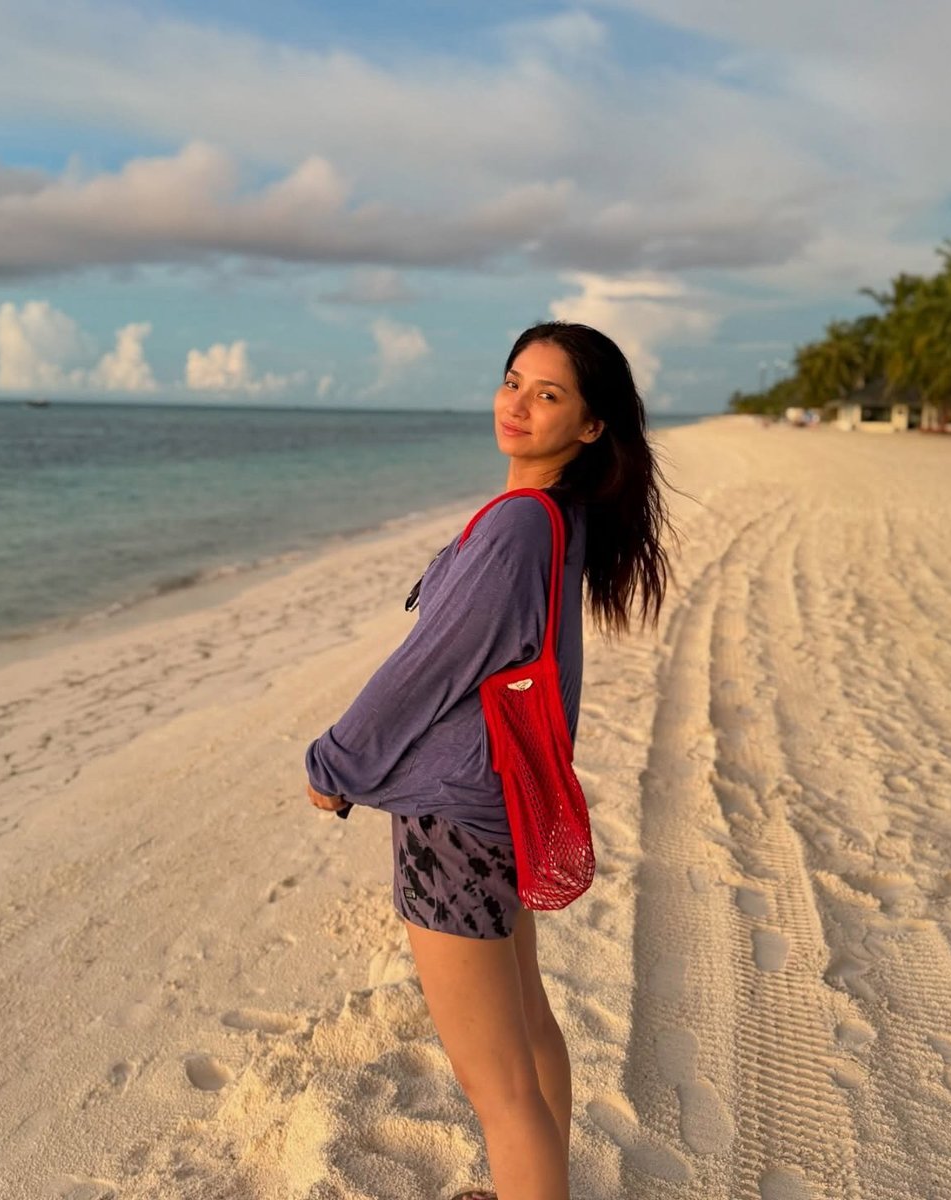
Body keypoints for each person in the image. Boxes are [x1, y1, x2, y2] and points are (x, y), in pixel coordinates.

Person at [305, 321, 673, 1200]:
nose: (518, 404)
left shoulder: (517, 528)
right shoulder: (557, 518)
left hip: (456, 822)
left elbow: (429, 668)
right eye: (513, 381)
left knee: (497, 1087)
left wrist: (335, 762)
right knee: (528, 1028)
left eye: (548, 394)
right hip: (498, 807)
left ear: (590, 426)